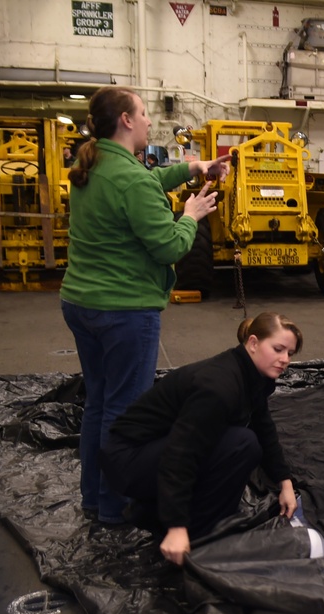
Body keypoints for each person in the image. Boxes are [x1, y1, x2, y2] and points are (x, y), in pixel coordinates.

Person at [60, 86, 229, 525]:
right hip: (124, 311)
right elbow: (169, 247)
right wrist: (191, 215)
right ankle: (115, 508)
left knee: (98, 403)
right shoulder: (130, 179)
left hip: (81, 303)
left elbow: (150, 180)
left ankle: (94, 498)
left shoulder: (91, 166)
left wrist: (194, 167)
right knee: (124, 413)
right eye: (143, 113)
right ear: (126, 120)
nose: (151, 120)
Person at [102, 313, 302, 566]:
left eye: (290, 353)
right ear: (253, 343)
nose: (284, 359)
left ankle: (154, 512)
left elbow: (265, 428)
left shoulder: (254, 377)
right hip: (128, 460)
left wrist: (284, 483)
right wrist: (177, 527)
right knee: (240, 444)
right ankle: (197, 536)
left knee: (242, 442)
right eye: (278, 349)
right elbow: (180, 453)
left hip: (153, 450)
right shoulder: (220, 386)